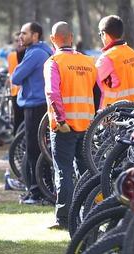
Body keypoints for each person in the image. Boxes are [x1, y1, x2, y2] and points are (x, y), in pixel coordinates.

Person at [44, 22, 97, 230]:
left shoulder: (54, 62)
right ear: (72, 37)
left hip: (65, 127)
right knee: (86, 170)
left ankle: (64, 218)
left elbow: (52, 93)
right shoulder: (88, 61)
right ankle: (90, 213)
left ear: (52, 39)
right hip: (87, 125)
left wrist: (61, 119)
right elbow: (97, 91)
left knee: (64, 171)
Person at [11, 22, 53, 205]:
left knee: (34, 149)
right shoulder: (45, 51)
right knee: (40, 149)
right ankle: (40, 189)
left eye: (24, 33)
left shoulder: (35, 53)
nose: (20, 36)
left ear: (35, 36)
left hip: (35, 106)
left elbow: (16, 77)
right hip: (42, 105)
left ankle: (36, 192)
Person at [96, 15, 134, 108]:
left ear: (104, 34)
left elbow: (91, 82)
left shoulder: (107, 58)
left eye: (100, 35)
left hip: (115, 114)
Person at [7, 32, 26, 135]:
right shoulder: (11, 56)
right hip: (15, 92)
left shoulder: (27, 54)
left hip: (25, 92)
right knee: (17, 120)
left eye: (20, 40)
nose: (18, 43)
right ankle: (16, 144)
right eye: (16, 40)